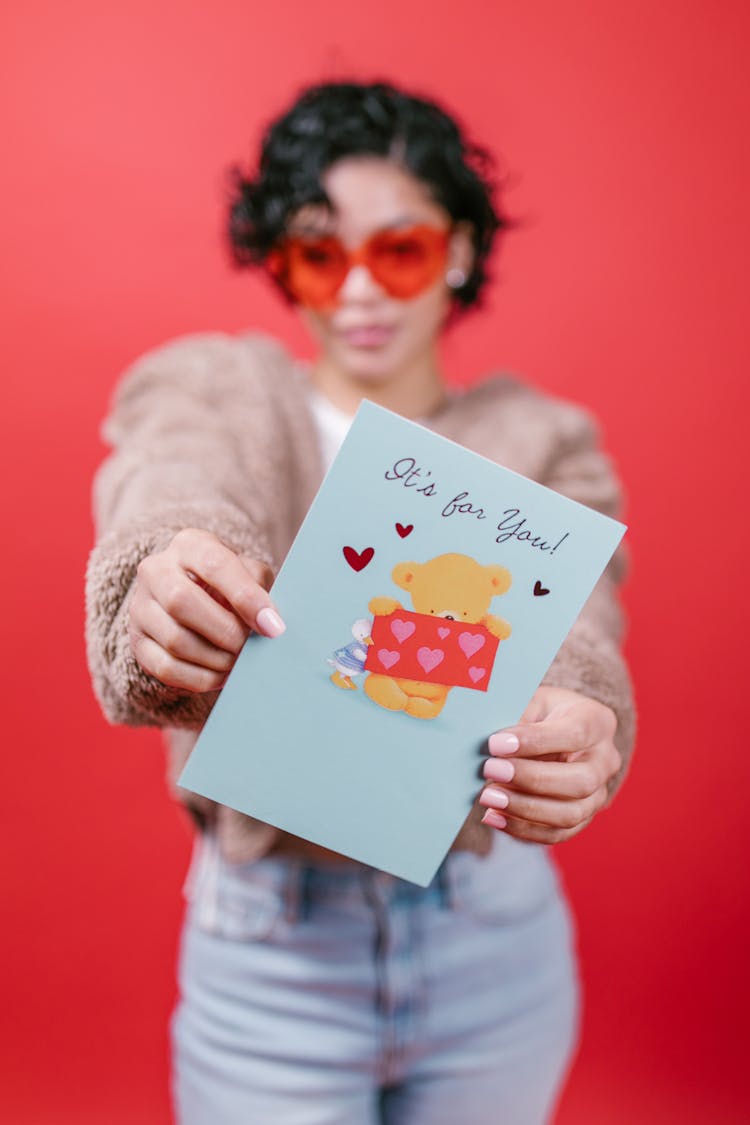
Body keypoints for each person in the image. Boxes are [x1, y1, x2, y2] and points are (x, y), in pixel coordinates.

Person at [86, 80, 635, 1125]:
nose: (358, 293)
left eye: (400, 251)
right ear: (277, 264)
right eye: (316, 254)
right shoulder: (222, 388)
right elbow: (173, 476)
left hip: (493, 941)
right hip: (271, 948)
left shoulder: (543, 437)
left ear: (461, 251)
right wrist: (163, 567)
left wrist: (583, 717)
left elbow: (580, 624)